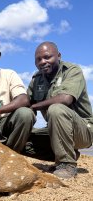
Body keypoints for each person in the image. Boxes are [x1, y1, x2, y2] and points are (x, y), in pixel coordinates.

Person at [26, 41, 93, 179]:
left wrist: (34, 106)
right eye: (38, 59)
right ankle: (66, 153)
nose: (43, 62)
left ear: (59, 56)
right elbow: (26, 101)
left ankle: (67, 164)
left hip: (83, 131)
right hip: (55, 129)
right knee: (23, 136)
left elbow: (66, 99)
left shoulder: (72, 71)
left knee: (56, 109)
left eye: (47, 57)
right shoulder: (36, 79)